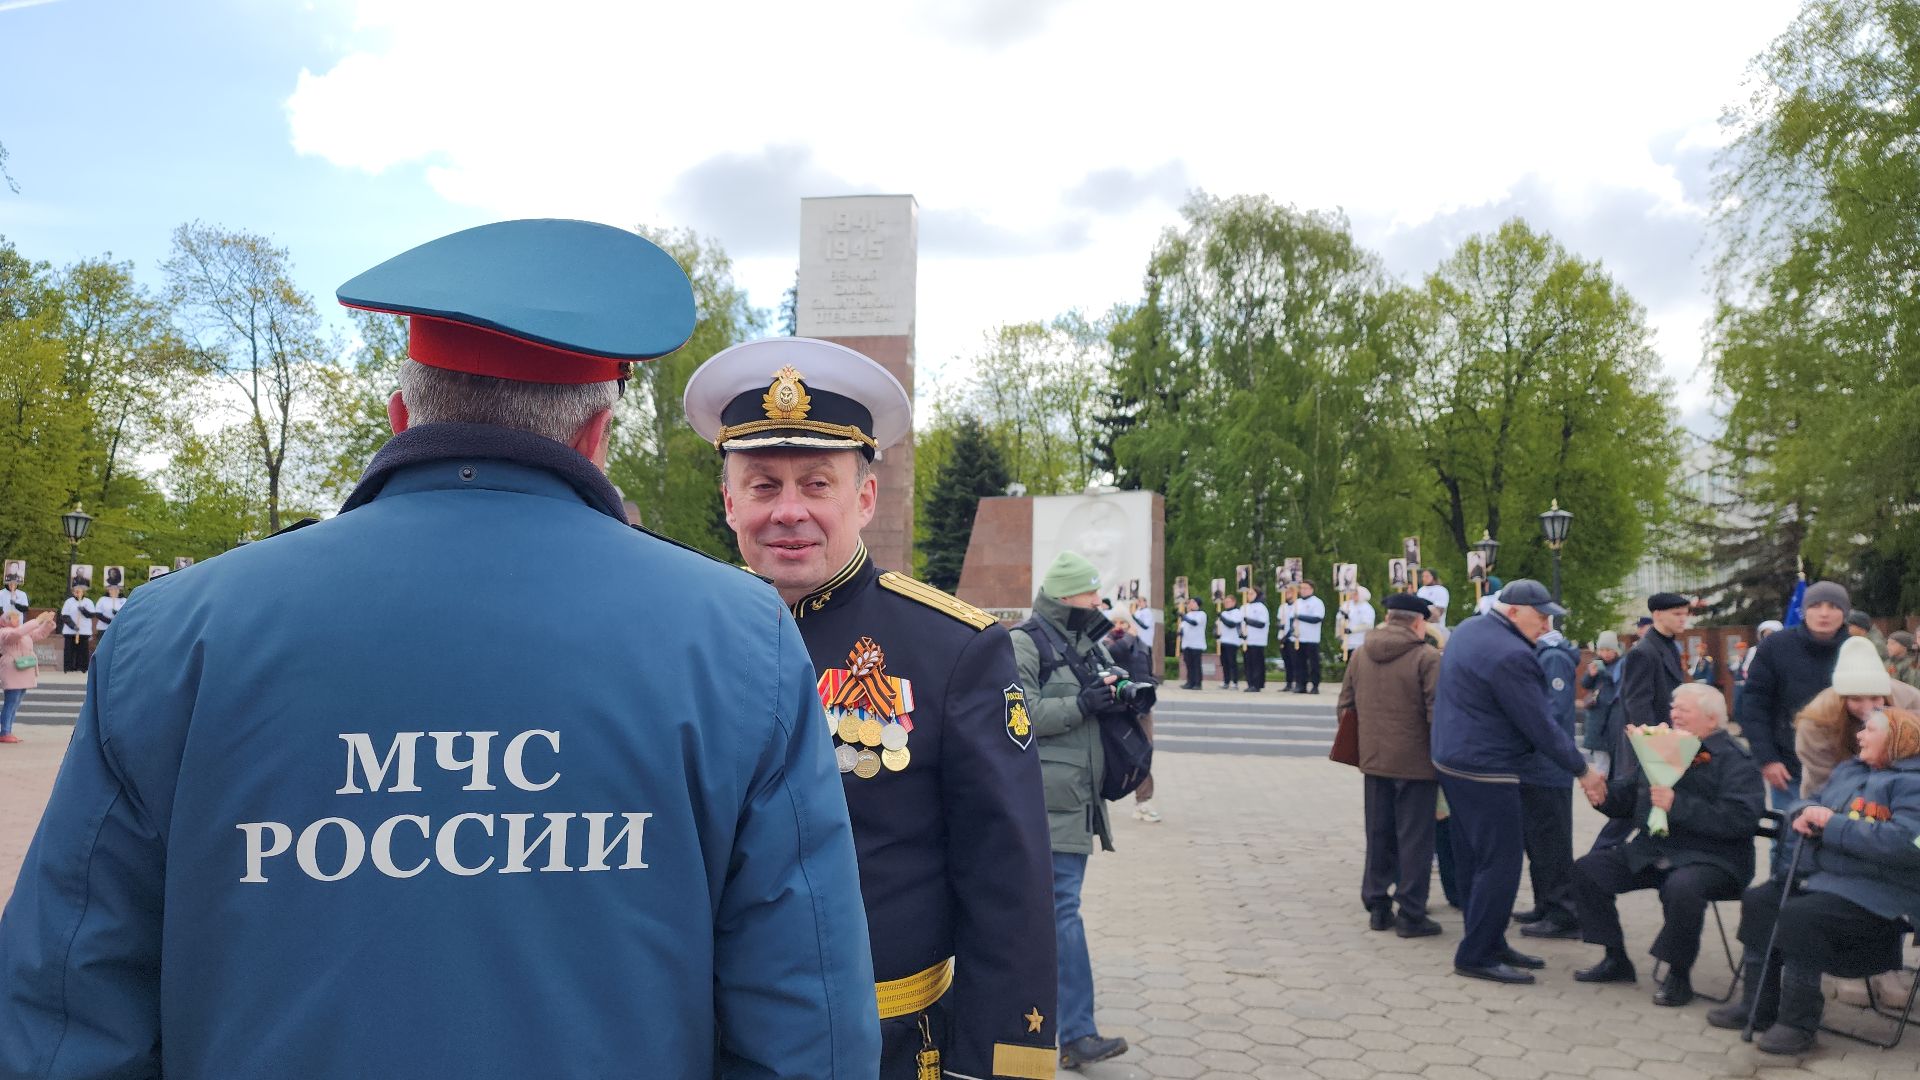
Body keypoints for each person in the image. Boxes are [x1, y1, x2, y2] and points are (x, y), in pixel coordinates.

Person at [0, 220, 881, 1078]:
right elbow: (805, 1020)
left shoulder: (172, 631)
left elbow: (68, 1001)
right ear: (595, 436)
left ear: (399, 417)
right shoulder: (737, 638)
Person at [685, 335, 1057, 1079]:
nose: (789, 511)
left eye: (816, 483)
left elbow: (1007, 879)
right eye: (763, 486)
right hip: (707, 1038)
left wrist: (997, 1064)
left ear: (865, 497)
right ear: (729, 502)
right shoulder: (676, 638)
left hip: (886, 1042)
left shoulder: (954, 650)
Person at [1708, 707, 1920, 1055]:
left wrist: (1832, 825)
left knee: (1801, 915)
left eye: (1870, 731)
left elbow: (1906, 843)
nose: (1859, 736)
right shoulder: (1851, 769)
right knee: (1761, 900)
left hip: (1881, 893)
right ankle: (1757, 1005)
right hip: (1825, 878)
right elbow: (1810, 801)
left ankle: (1798, 1023)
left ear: (1898, 739)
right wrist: (1802, 812)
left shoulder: (1913, 783)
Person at [1430, 579, 1608, 984]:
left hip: (1452, 759)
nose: (1546, 625)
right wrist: (1583, 771)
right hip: (1485, 768)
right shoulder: (1512, 654)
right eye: (1540, 615)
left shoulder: (1471, 628)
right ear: (1513, 611)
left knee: (1476, 860)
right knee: (1501, 863)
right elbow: (1540, 726)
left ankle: (1489, 940)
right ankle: (1476, 954)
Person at [1569, 683, 1764, 1007]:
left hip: (1716, 859)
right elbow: (1631, 798)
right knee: (1589, 870)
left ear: (1711, 717)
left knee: (1682, 887)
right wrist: (1603, 796)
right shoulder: (1665, 747)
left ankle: (1678, 975)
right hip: (1656, 850)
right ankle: (1615, 957)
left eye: (1683, 710)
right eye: (1673, 708)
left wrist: (1678, 805)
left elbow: (1741, 820)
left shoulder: (1735, 759)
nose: (1674, 715)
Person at [1013, 551, 1132, 1069]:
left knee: (1055, 913)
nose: (1098, 604)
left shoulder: (1084, 641)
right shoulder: (1026, 641)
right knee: (1062, 913)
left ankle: (1046, 1026)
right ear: (1067, 597)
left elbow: (1101, 692)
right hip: (1046, 799)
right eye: (1091, 596)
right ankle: (1073, 1032)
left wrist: (1123, 693)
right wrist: (1081, 705)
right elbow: (1021, 714)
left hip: (1076, 798)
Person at [1340, 592, 1443, 937]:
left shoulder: (1360, 654)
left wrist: (1367, 743)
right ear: (1417, 622)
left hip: (1373, 761)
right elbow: (1437, 714)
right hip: (1417, 765)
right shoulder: (1427, 657)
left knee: (1378, 833)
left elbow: (1345, 707)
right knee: (1415, 839)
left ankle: (1377, 907)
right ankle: (1412, 914)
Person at [1739, 580, 1852, 875]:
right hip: (1788, 766)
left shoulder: (1857, 649)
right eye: (1815, 605)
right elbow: (1753, 705)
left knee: (1842, 840)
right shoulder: (1776, 646)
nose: (1824, 613)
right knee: (1789, 839)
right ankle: (1783, 905)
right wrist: (1766, 758)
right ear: (1803, 611)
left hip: (1846, 768)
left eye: (1833, 606)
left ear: (1845, 612)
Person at [1513, 620, 1583, 940]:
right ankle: (1545, 903)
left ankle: (1564, 912)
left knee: (1552, 842)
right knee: (1537, 840)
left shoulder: (1552, 656)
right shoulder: (1539, 652)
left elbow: (1551, 713)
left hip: (1549, 766)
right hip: (1536, 764)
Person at [1792, 635, 1920, 797]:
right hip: (1830, 792)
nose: (1868, 709)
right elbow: (1824, 781)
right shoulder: (1816, 721)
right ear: (1842, 698)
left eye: (1875, 697)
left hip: (1901, 789)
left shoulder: (1910, 702)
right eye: (1856, 699)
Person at [1107, 614, 1163, 825]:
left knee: (1145, 752)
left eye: (1124, 623)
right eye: (1116, 623)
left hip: (1142, 707)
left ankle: (1143, 801)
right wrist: (1129, 637)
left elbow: (1149, 672)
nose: (1120, 627)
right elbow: (1115, 653)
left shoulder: (1142, 645)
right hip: (1119, 708)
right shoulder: (1107, 642)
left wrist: (1150, 687)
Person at [0, 608, 56, 744]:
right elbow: (16, 634)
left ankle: (7, 730)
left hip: (24, 669)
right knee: (11, 702)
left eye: (17, 617)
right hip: (12, 669)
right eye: (13, 618)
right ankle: (4, 732)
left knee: (15, 703)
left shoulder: (23, 631)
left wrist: (47, 622)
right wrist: (38, 620)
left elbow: (39, 634)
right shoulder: (4, 632)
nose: (17, 619)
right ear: (5, 621)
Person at [1580, 631, 1625, 778]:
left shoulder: (1622, 664)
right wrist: (1590, 675)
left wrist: (1603, 672)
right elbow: (1585, 684)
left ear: (1615, 650)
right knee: (1601, 761)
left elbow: (1617, 683)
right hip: (1597, 716)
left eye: (1608, 650)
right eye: (1601, 650)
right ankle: (1602, 789)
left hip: (1614, 715)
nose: (1604, 654)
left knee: (1616, 759)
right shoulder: (1595, 664)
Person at [1291, 580, 1327, 694]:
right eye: (1301, 588)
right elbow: (1292, 619)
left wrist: (1300, 617)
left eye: (1305, 588)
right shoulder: (1297, 602)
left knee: (1313, 663)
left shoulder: (1317, 602)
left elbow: (1317, 618)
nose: (1303, 590)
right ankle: (1301, 684)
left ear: (1311, 589)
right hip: (1299, 637)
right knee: (1299, 663)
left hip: (1311, 638)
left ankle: (1315, 685)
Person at [56, 580, 94, 674]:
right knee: (69, 651)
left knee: (83, 651)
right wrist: (73, 626)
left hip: (84, 631)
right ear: (73, 592)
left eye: (79, 591)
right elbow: (64, 616)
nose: (77, 593)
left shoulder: (88, 602)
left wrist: (83, 610)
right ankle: (69, 668)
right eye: (75, 591)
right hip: (70, 631)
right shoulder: (69, 602)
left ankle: (82, 668)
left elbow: (91, 615)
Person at [1240, 587, 1271, 692]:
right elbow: (1239, 623)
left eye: (1252, 593)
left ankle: (1257, 684)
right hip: (1246, 640)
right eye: (1248, 593)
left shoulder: (1261, 607)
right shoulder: (1244, 607)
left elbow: (1261, 623)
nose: (1249, 595)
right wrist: (1241, 633)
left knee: (1257, 663)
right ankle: (1250, 682)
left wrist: (1248, 621)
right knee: (1248, 663)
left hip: (1257, 640)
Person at [1179, 596, 1207, 691]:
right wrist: (1180, 632)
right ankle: (1190, 682)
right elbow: (1183, 627)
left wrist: (1183, 617)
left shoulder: (1202, 614)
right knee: (1189, 664)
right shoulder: (1188, 614)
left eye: (1192, 602)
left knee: (1196, 664)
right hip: (1187, 643)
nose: (1190, 604)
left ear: (1197, 604)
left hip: (1197, 644)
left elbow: (1194, 623)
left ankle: (1197, 683)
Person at [1216, 593, 1243, 689]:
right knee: (1224, 662)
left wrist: (1221, 617)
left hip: (1232, 640)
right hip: (1223, 640)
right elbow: (1218, 626)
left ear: (1234, 602)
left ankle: (1235, 682)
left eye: (1228, 602)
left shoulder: (1237, 612)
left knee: (1232, 662)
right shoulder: (1223, 613)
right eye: (1225, 602)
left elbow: (1231, 624)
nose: (1226, 603)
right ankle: (1226, 681)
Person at [1342, 585, 1375, 656]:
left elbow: (1368, 625)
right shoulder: (1347, 605)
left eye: (1356, 594)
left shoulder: (1367, 608)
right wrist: (1343, 618)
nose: (1353, 595)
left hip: (1360, 642)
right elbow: (1340, 619)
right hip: (1348, 641)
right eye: (1353, 593)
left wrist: (1352, 630)